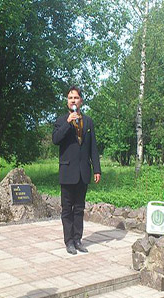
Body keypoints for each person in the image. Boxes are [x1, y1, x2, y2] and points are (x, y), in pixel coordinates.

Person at [52, 86, 101, 255]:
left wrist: (97, 169)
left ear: (81, 101)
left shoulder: (88, 121)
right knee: (67, 209)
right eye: (70, 97)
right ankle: (69, 242)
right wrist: (67, 123)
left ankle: (78, 239)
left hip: (83, 171)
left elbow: (93, 147)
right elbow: (56, 140)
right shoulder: (61, 120)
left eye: (76, 97)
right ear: (67, 101)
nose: (73, 100)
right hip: (67, 172)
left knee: (79, 208)